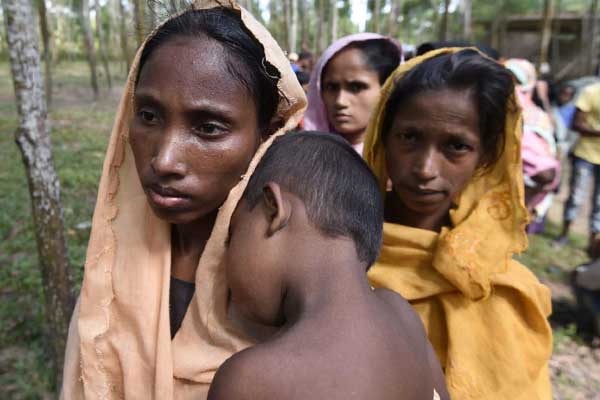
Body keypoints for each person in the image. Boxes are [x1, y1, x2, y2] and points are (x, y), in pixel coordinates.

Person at [60, 2, 307, 399]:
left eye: (208, 127)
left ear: (269, 133)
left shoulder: (296, 276)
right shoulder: (112, 264)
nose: (164, 160)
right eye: (149, 116)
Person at [363, 48, 553, 399]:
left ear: (486, 156)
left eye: (456, 146)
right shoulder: (339, 249)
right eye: (409, 137)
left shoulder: (503, 288)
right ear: (382, 138)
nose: (425, 168)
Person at [208, 131, 449, 400]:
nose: (222, 263)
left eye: (231, 235)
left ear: (273, 210)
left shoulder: (252, 379)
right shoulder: (403, 315)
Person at [304, 33, 402, 154]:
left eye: (356, 87)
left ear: (387, 88)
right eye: (331, 87)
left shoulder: (397, 158)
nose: (340, 101)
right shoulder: (303, 154)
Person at [505, 58, 560, 233]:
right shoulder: (498, 104)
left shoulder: (539, 115)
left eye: (517, 80)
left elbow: (550, 151)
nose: (513, 86)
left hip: (530, 181)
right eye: (508, 78)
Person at [557, 81, 600, 249]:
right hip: (585, 155)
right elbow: (576, 124)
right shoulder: (591, 92)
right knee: (576, 197)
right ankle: (564, 235)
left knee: (599, 203)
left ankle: (593, 245)